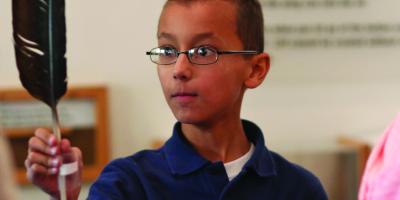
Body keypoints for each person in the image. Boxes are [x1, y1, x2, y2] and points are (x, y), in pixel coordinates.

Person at [25, 0, 328, 199]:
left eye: (203, 52)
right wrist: (63, 194)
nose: (180, 70)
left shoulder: (299, 189)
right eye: (168, 51)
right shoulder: (128, 184)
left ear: (255, 69)